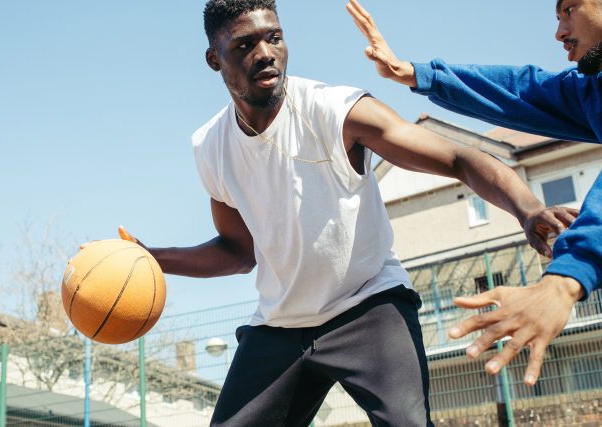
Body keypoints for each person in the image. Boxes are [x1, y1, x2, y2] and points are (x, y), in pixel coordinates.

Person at [114, 1, 576, 425]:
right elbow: (238, 252)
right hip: (280, 325)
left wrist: (528, 208)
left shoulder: (336, 111)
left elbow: (457, 158)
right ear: (214, 59)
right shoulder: (211, 146)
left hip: (368, 306)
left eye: (274, 37)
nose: (266, 53)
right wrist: (151, 258)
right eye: (244, 45)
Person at [347, 0, 602, 388]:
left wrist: (566, 277)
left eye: (569, 9)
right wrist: (416, 74)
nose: (559, 32)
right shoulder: (592, 90)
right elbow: (524, 89)